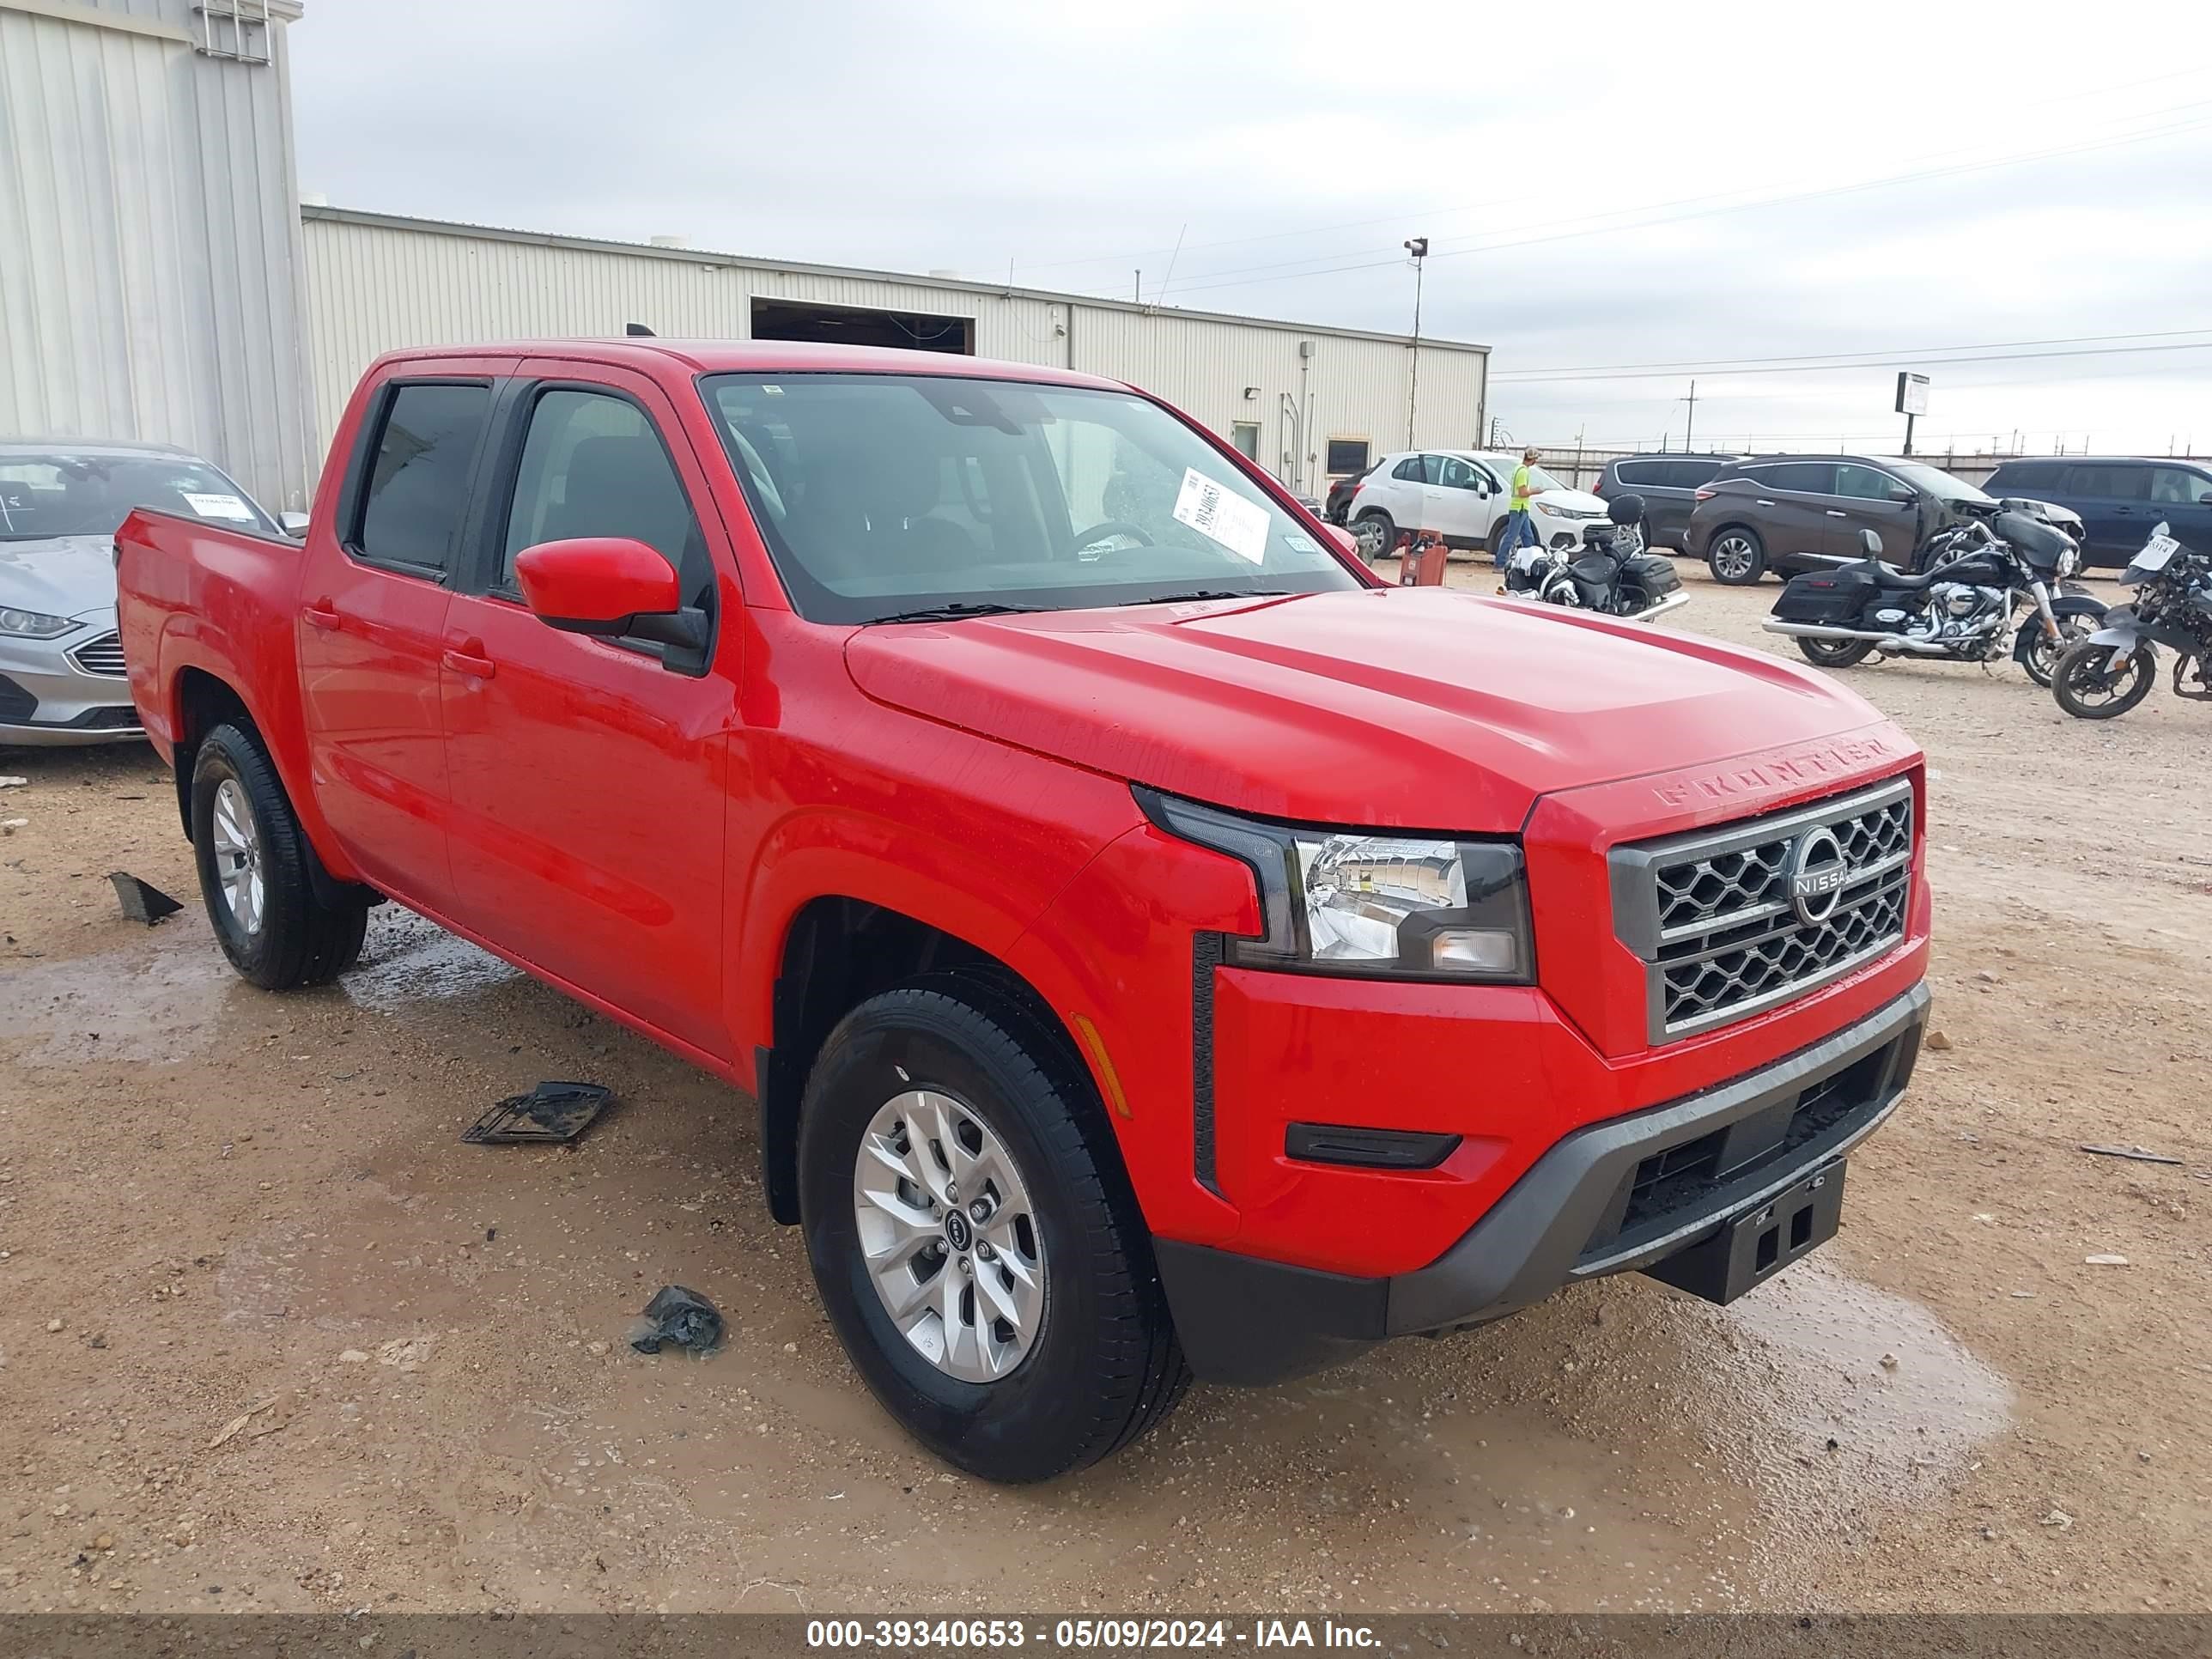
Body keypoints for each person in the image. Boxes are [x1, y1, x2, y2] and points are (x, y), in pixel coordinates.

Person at [1493, 447, 1541, 568]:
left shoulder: (1518, 469)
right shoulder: (1523, 472)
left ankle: (1529, 562)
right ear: (1533, 459)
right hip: (1519, 509)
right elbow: (1522, 493)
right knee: (1511, 537)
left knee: (1527, 538)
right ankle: (1500, 563)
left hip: (1521, 509)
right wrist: (1535, 491)